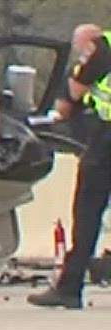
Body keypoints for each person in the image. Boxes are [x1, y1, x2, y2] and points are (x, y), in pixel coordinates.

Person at [29, 23, 111, 309]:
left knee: (87, 213)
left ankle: (69, 286)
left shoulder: (103, 47)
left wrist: (79, 71)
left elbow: (72, 95)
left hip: (105, 143)